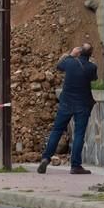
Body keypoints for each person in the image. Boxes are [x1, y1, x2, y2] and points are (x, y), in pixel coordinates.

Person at [38, 43, 97, 175]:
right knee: (79, 134)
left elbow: (59, 66)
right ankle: (75, 166)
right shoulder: (91, 67)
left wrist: (71, 55)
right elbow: (93, 78)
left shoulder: (69, 63)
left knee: (57, 130)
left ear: (79, 52)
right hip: (82, 105)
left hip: (66, 103)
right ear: (90, 54)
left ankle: (46, 158)